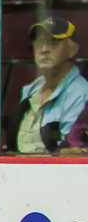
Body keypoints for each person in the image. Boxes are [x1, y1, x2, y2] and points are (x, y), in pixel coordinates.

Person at [10, 16, 88, 156]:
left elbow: (70, 152)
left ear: (72, 49)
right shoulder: (30, 90)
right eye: (39, 43)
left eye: (53, 42)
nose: (43, 49)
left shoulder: (81, 93)